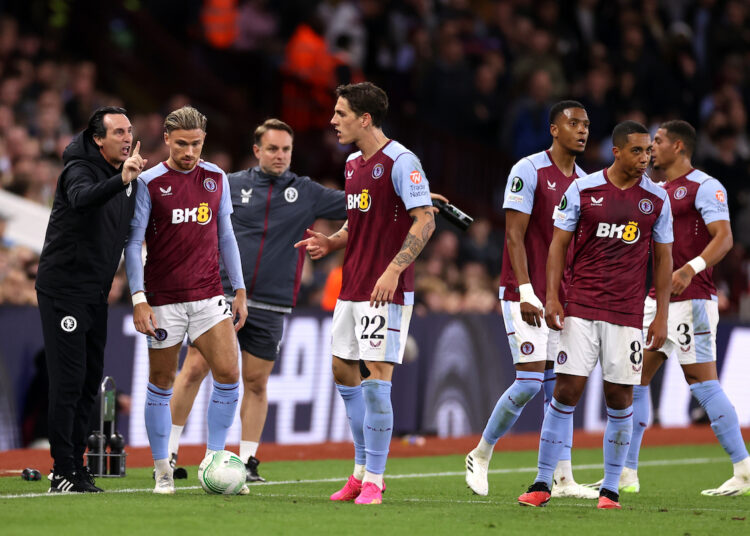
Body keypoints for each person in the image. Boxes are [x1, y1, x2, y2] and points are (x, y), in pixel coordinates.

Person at [167, 118, 347, 482]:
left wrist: (413, 196)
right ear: (257, 151)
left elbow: (358, 205)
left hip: (272, 302)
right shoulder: (229, 185)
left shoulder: (307, 191)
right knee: (195, 369)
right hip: (220, 295)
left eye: (286, 150)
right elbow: (185, 207)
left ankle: (247, 461)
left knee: (256, 382)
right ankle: (168, 454)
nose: (280, 156)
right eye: (273, 149)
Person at [517, 120, 674, 510]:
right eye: (637, 151)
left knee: (620, 397)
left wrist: (661, 315)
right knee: (565, 391)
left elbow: (665, 259)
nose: (645, 158)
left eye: (648, 152)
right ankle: (541, 483)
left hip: (626, 314)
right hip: (582, 309)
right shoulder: (583, 190)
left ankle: (610, 490)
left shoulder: (656, 199)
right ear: (616, 151)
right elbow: (558, 246)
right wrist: (552, 297)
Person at [295, 82, 435, 505]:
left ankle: (374, 478)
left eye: (340, 114)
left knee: (376, 381)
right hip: (352, 286)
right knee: (343, 371)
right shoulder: (354, 164)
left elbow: (425, 220)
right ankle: (360, 472)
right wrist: (331, 242)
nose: (333, 121)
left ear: (365, 118)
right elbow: (357, 224)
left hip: (384, 291)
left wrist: (394, 270)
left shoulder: (401, 161)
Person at [465, 100, 598, 500]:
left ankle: (563, 478)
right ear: (554, 129)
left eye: (587, 124)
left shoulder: (586, 182)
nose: (582, 130)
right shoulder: (527, 170)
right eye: (573, 123)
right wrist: (525, 290)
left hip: (563, 298)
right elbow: (513, 235)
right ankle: (480, 454)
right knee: (527, 382)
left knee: (563, 389)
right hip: (523, 292)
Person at [613, 120, 749, 496]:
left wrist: (691, 268)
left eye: (656, 141)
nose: (650, 148)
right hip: (656, 302)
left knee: (702, 383)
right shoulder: (652, 191)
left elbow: (724, 238)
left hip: (693, 300)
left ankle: (744, 469)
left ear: (678, 147)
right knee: (633, 380)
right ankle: (627, 473)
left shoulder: (704, 186)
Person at [124, 106, 248, 494]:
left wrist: (240, 288)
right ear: (166, 140)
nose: (189, 151)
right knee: (161, 382)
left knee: (229, 374)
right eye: (181, 144)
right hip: (163, 301)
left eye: (195, 144)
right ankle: (163, 468)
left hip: (209, 294)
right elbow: (132, 243)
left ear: (203, 141)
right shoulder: (149, 182)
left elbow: (225, 236)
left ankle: (214, 460)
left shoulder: (216, 178)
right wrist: (138, 297)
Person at [36, 106, 145, 493]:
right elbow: (83, 200)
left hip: (95, 293)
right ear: (97, 138)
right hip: (64, 290)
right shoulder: (78, 170)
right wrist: (123, 180)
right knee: (67, 380)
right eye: (118, 132)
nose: (126, 137)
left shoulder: (125, 177)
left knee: (87, 382)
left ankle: (77, 465)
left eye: (129, 131)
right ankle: (62, 469)